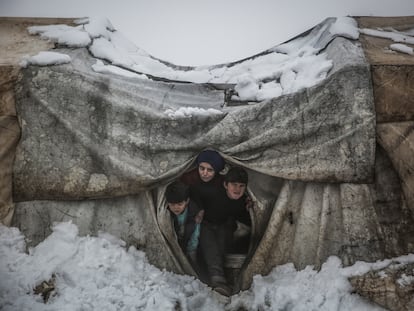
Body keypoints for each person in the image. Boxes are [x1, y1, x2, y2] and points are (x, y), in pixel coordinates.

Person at [199, 166, 252, 296]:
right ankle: (218, 281)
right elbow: (195, 194)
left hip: (223, 226)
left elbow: (244, 219)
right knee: (211, 247)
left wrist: (249, 209)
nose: (237, 189)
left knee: (222, 247)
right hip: (205, 224)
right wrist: (198, 210)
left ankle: (224, 280)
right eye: (234, 185)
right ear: (225, 185)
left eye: (241, 186)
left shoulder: (240, 202)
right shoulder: (212, 193)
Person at [165, 180, 204, 265]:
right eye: (172, 204)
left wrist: (191, 252)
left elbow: (195, 235)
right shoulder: (167, 215)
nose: (176, 208)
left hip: (191, 246)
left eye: (179, 204)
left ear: (187, 201)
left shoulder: (194, 213)